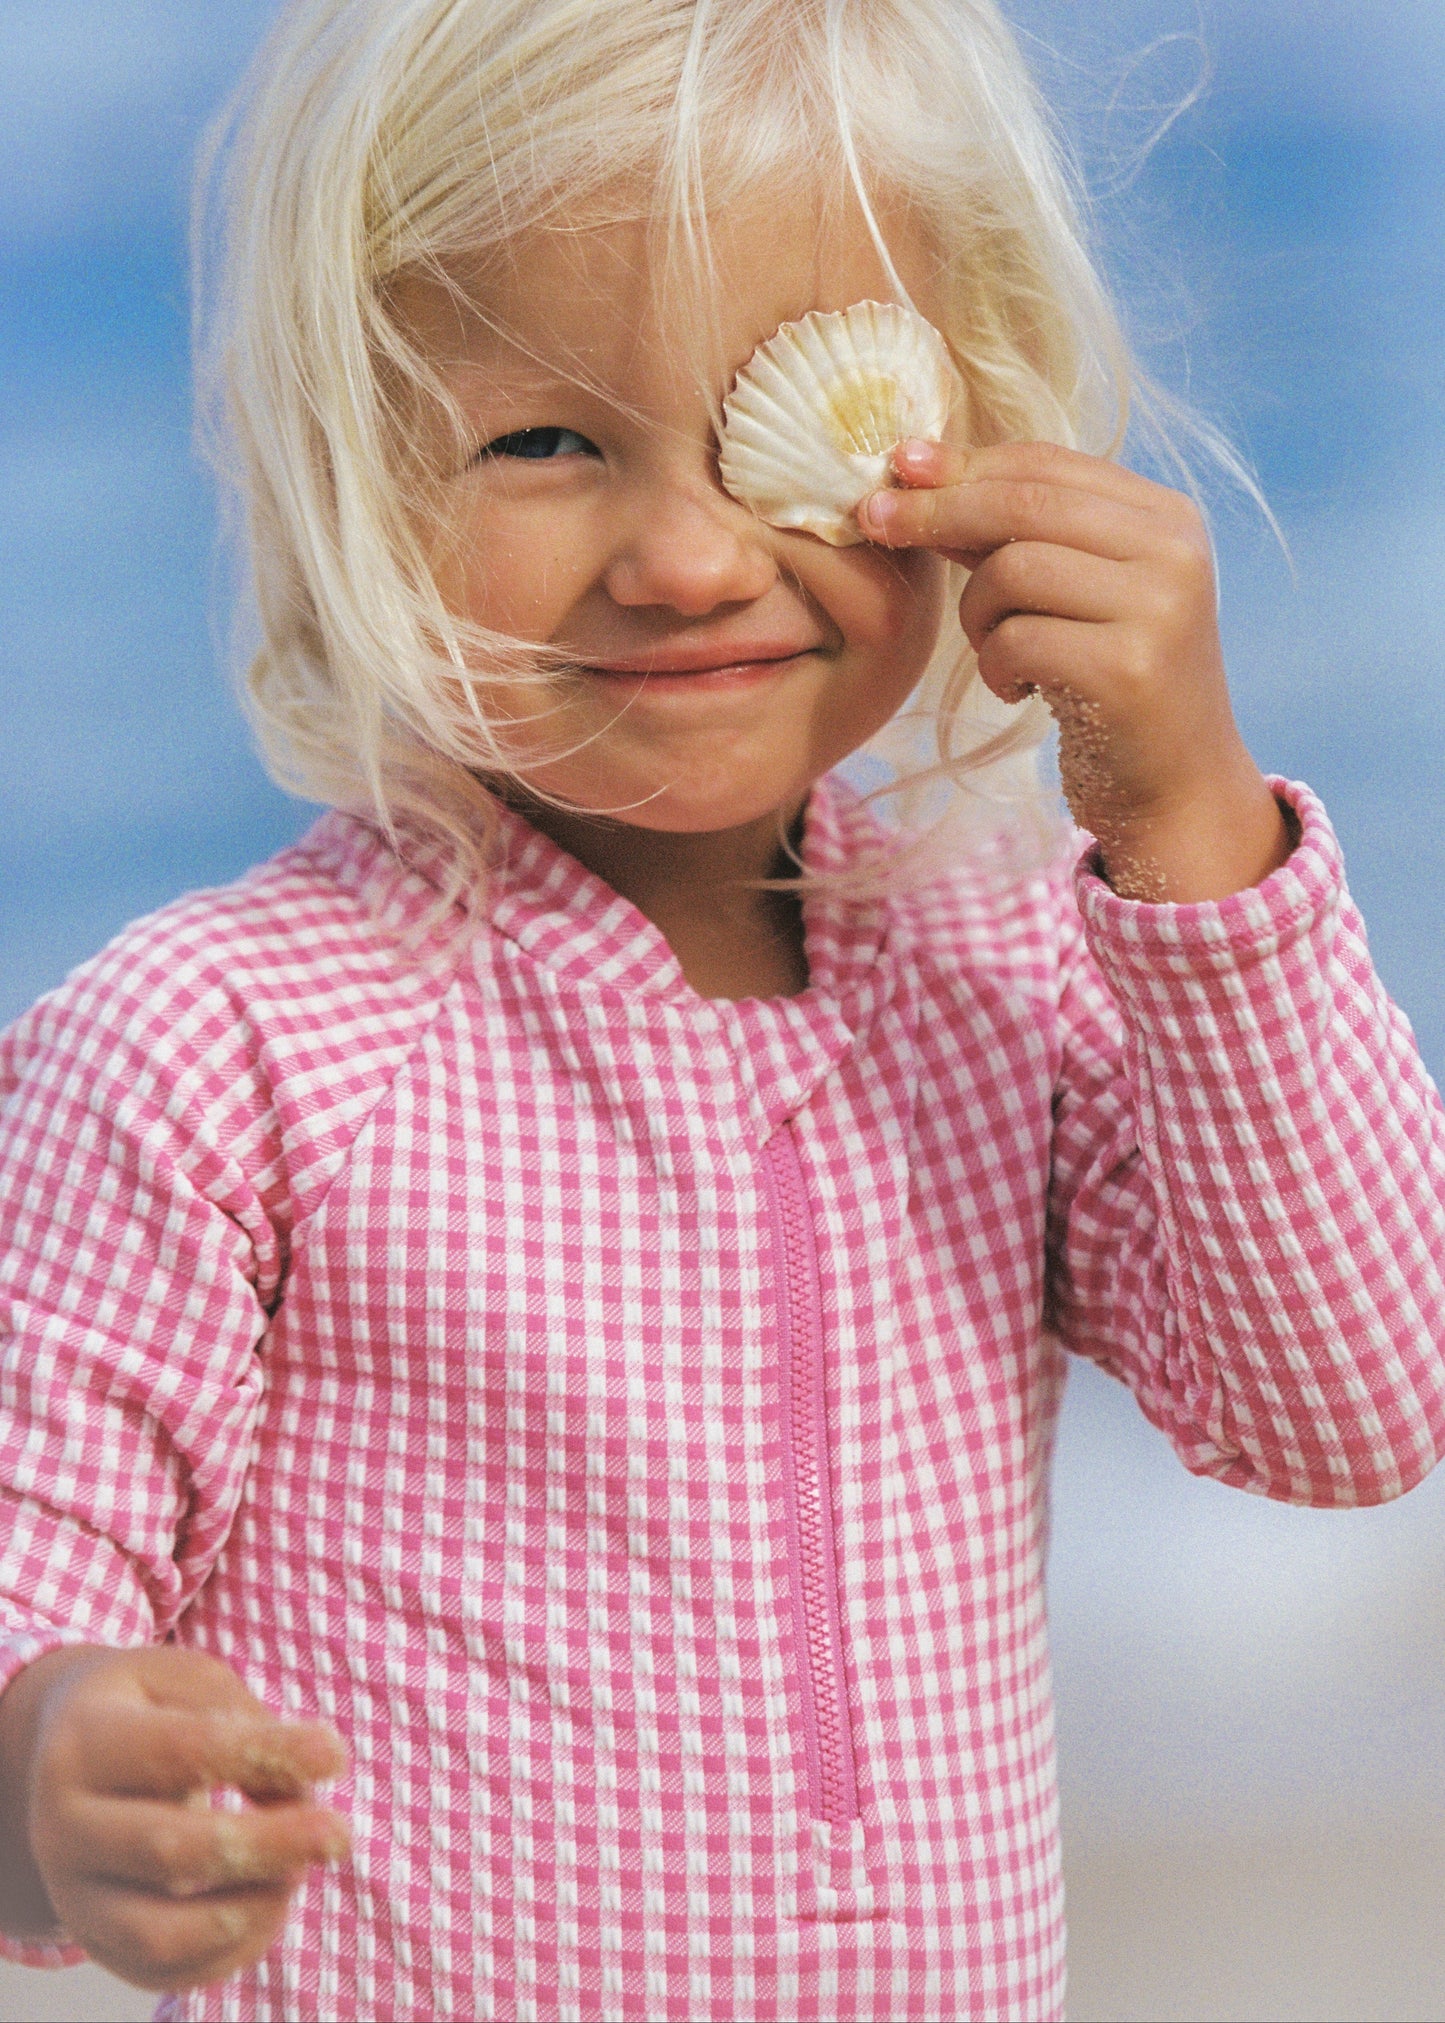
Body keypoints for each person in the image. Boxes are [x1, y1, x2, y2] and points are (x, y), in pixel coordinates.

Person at [1, 1, 1443, 2017]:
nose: (685, 557)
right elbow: (25, 1580)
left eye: (791, 428)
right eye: (543, 440)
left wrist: (1189, 817)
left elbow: (1354, 1403)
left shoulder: (1014, 974)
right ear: (347, 450)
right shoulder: (217, 1045)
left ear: (979, 426)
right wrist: (48, 1770)